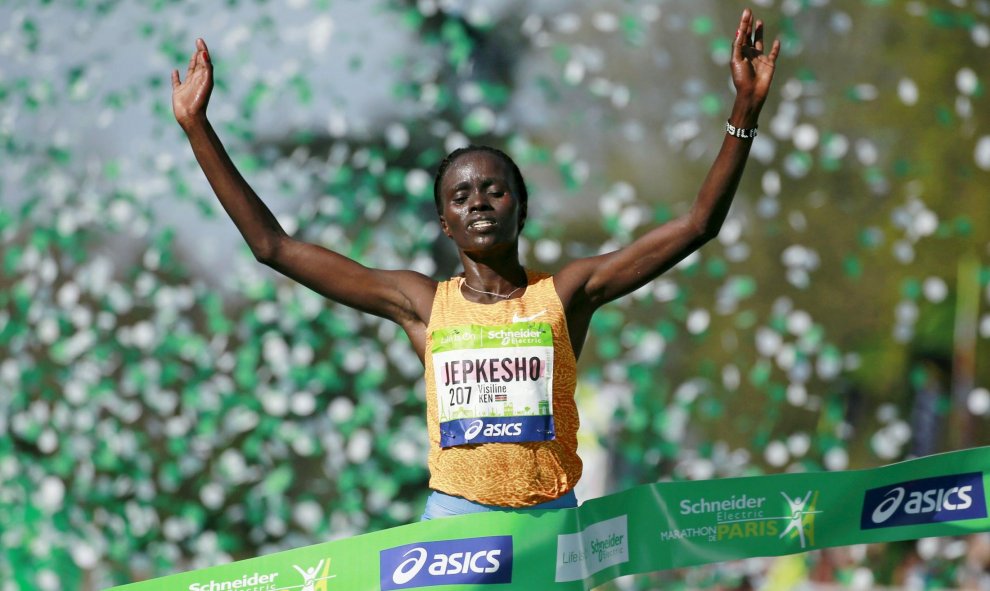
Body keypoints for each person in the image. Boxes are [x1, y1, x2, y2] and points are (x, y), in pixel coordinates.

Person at [171, 9, 780, 520]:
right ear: (445, 224)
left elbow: (699, 225)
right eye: (460, 197)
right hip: (459, 524)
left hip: (551, 523)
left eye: (494, 190)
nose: (479, 202)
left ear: (523, 209)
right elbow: (273, 247)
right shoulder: (422, 305)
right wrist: (198, 128)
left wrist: (744, 112)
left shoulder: (566, 294)